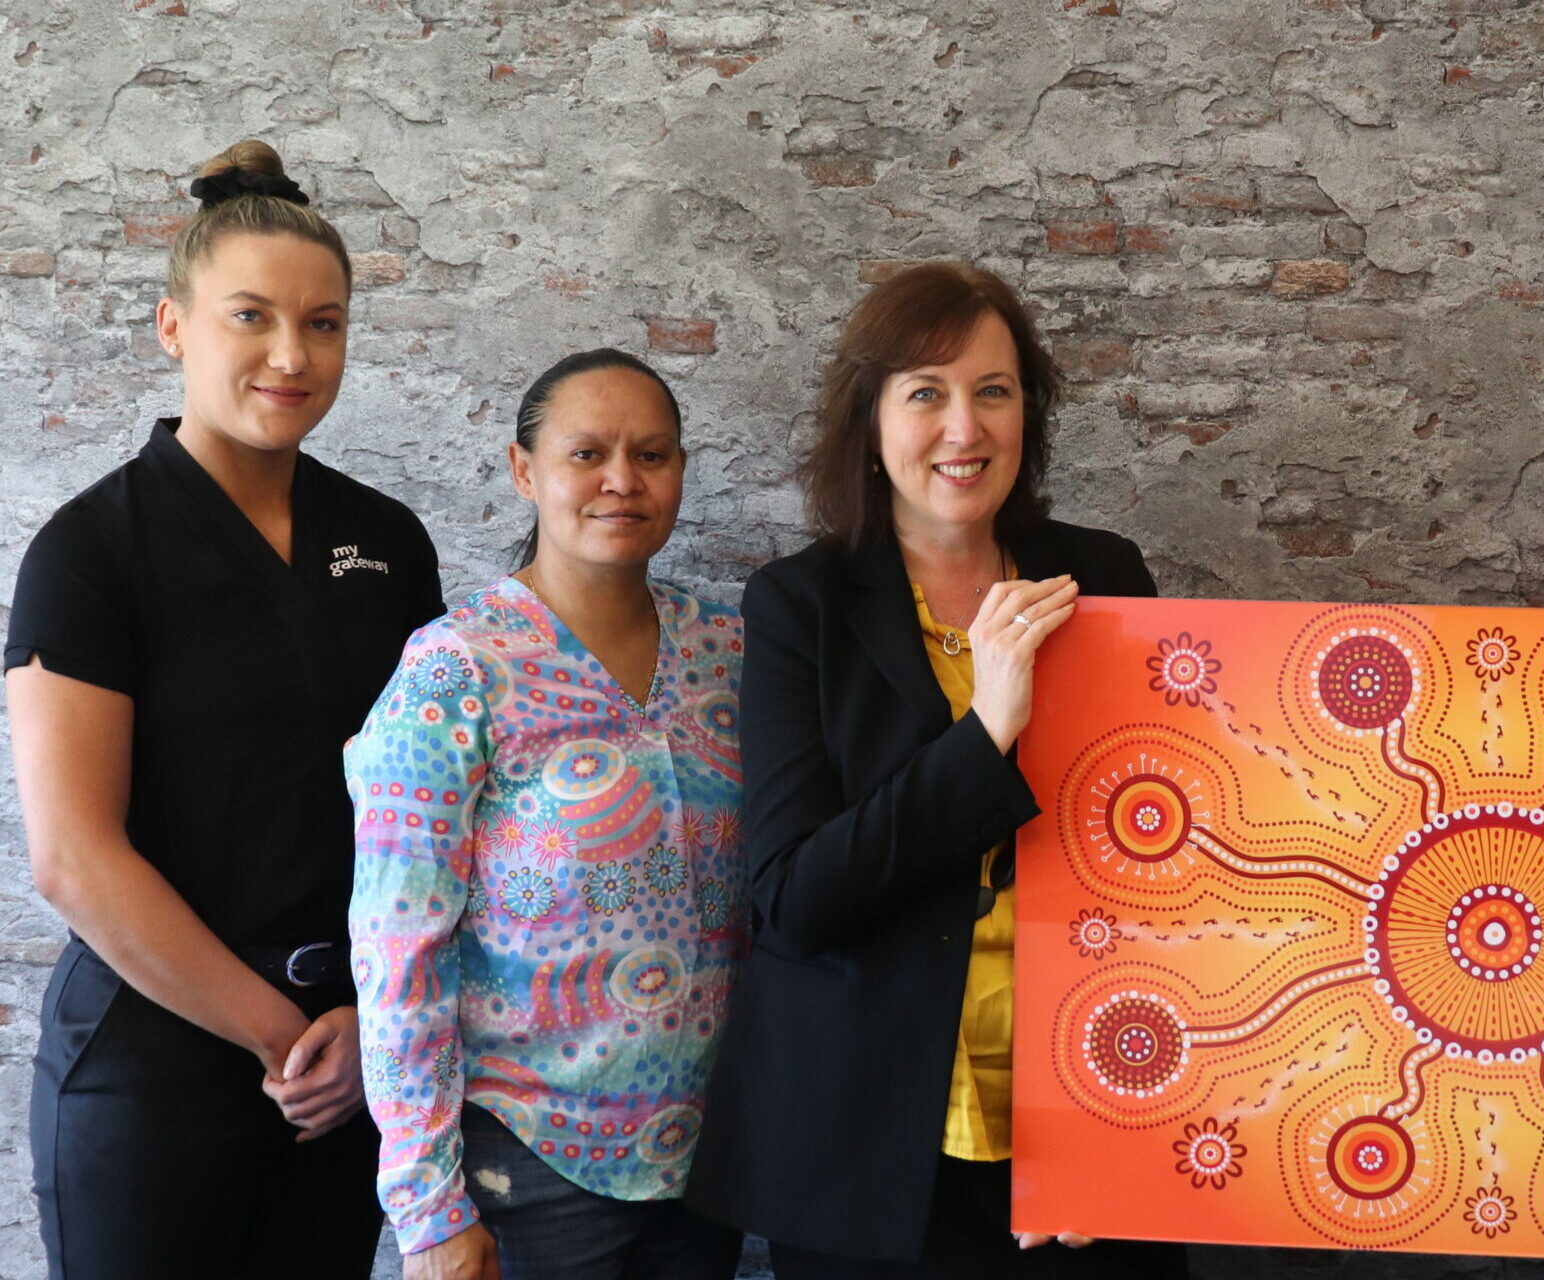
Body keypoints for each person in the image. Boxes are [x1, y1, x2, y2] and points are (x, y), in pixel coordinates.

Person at [685, 262, 1186, 1279]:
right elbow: (797, 899)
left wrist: (1115, 1132)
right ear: (869, 421)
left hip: (1086, 1128)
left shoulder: (1104, 579)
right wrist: (986, 729)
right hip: (867, 1158)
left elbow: (1170, 874)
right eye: (926, 392)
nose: (965, 428)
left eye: (993, 391)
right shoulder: (800, 605)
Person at [4, 139, 444, 1278]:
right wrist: (286, 1036)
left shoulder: (388, 542)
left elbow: (432, 811)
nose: (291, 355)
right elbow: (72, 857)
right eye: (251, 317)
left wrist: (366, 1021)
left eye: (325, 323)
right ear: (173, 327)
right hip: (158, 1065)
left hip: (347, 1064)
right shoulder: (92, 550)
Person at [345, 349, 747, 1280]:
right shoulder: (457, 670)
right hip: (531, 1165)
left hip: (712, 1157)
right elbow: (399, 948)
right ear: (525, 471)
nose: (622, 480)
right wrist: (426, 1208)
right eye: (587, 454)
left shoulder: (730, 647)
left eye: (653, 455)